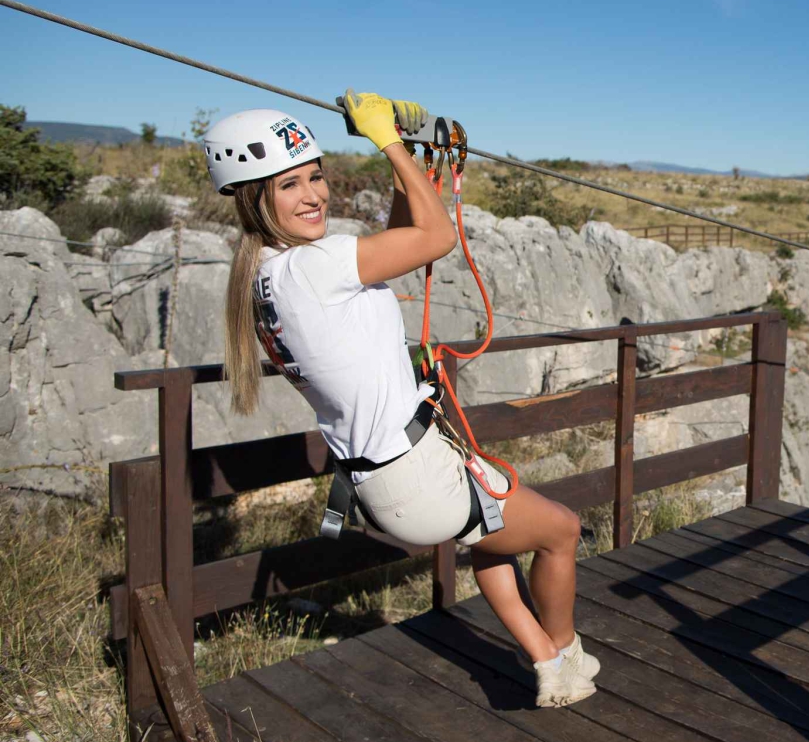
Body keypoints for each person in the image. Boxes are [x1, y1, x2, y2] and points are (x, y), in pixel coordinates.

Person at [205, 91, 598, 707]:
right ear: (255, 198)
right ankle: (569, 648)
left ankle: (548, 664)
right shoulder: (317, 264)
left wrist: (404, 161)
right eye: (289, 186)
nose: (314, 195)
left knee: (489, 537)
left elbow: (399, 245)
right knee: (561, 531)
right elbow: (436, 236)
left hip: (381, 479)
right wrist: (386, 139)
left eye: (316, 177)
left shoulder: (265, 277)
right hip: (414, 474)